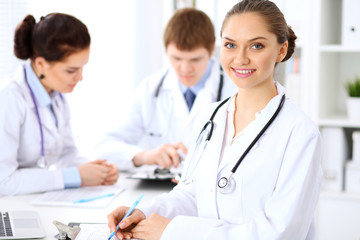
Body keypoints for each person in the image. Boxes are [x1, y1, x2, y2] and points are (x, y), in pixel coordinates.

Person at [107, 0, 323, 239]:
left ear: (281, 51)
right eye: (231, 44)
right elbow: (191, 193)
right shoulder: (210, 116)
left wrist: (173, 232)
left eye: (256, 46)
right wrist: (145, 214)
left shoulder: (300, 133)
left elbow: (281, 233)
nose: (240, 59)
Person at [95, 8, 235, 170]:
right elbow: (104, 148)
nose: (185, 68)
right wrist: (144, 156)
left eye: (195, 59)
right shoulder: (151, 89)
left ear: (211, 50)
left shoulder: (234, 88)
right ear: (166, 50)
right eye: (176, 58)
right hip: (160, 188)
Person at [0, 13, 119, 197]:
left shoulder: (55, 94)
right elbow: (4, 181)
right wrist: (74, 176)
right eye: (71, 70)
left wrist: (98, 171)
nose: (80, 78)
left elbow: (66, 152)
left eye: (82, 67)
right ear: (41, 64)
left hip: (30, 201)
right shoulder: (9, 98)